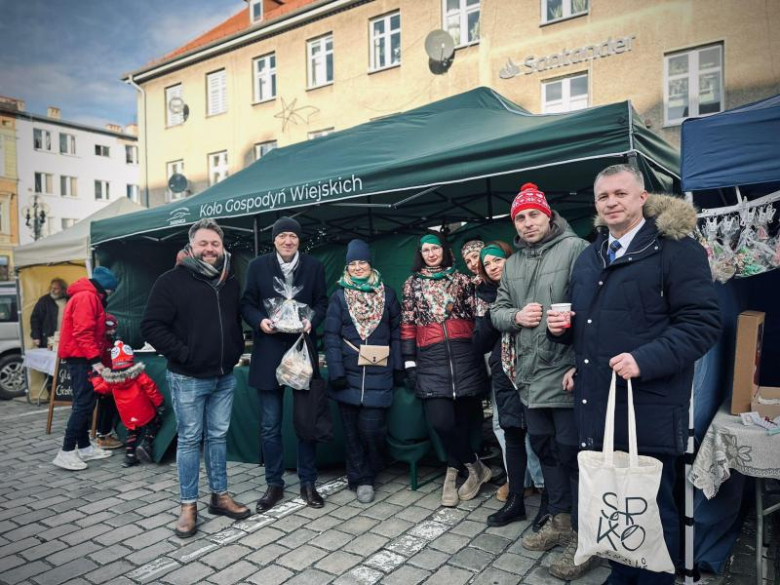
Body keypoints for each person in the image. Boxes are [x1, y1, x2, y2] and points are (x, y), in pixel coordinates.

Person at [547, 164, 721, 584]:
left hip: (649, 405)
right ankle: (622, 574)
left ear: (642, 198)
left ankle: (656, 578)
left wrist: (646, 358)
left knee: (651, 504)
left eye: (621, 194)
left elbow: (702, 323)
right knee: (613, 500)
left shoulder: (676, 250)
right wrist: (564, 333)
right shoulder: (590, 257)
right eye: (604, 196)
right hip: (598, 404)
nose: (612, 202)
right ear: (596, 205)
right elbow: (590, 326)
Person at [490, 182, 591, 580]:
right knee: (547, 452)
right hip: (528, 379)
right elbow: (496, 312)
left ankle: (586, 539)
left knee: (572, 456)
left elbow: (595, 311)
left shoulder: (576, 250)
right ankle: (560, 522)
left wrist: (584, 363)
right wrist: (516, 317)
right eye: (520, 217)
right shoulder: (512, 264)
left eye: (534, 214)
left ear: (548, 215)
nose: (528, 222)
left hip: (565, 374)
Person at [141, 218, 250, 539]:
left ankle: (220, 496)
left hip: (224, 376)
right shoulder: (170, 281)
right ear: (191, 247)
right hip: (188, 377)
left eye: (215, 244)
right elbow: (152, 326)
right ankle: (188, 504)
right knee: (190, 440)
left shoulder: (229, 280)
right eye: (203, 243)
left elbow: (231, 321)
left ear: (222, 247)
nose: (210, 249)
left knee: (217, 437)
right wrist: (184, 353)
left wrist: (233, 350)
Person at [240, 216, 329, 512]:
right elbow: (247, 304)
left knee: (306, 423)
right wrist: (260, 321)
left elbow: (322, 303)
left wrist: (310, 320)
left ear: (298, 240)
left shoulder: (314, 267)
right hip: (268, 353)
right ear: (274, 240)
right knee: (269, 425)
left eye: (292, 236)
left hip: (301, 353)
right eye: (282, 236)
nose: (287, 241)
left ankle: (308, 482)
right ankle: (274, 484)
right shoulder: (257, 266)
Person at [401, 230, 489, 507]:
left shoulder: (463, 280)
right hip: (430, 357)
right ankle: (476, 467)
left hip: (465, 355)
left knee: (465, 421)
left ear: (444, 250)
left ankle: (452, 473)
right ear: (421, 253)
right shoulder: (412, 283)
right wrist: (409, 361)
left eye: (435, 248)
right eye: (425, 249)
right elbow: (407, 322)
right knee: (441, 422)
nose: (431, 253)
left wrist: (480, 351)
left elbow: (479, 314)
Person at [323, 239, 404, 504]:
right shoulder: (338, 297)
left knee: (372, 431)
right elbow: (331, 336)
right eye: (353, 263)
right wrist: (336, 370)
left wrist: (398, 366)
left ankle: (369, 470)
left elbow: (397, 332)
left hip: (379, 374)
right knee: (350, 432)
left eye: (362, 262)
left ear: (371, 264)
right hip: (346, 375)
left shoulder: (388, 294)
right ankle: (360, 478)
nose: (358, 267)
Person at [473, 240, 529, 527]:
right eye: (488, 264)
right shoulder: (483, 294)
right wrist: (488, 316)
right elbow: (480, 340)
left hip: (533, 367)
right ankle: (516, 495)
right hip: (503, 370)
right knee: (510, 432)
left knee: (540, 434)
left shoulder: (527, 282)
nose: (493, 267)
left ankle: (545, 493)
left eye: (497, 260)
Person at [52, 267, 119, 471]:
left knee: (85, 403)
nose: (110, 296)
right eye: (111, 292)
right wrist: (95, 360)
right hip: (81, 358)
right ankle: (65, 452)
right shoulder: (87, 298)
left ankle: (84, 447)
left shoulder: (84, 295)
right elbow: (83, 332)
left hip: (79, 356)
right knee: (83, 405)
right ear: (106, 288)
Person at [91, 340, 165, 468]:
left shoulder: (110, 380)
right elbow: (151, 388)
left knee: (132, 430)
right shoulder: (139, 375)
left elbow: (100, 388)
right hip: (143, 410)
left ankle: (129, 456)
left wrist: (96, 377)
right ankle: (146, 442)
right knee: (155, 423)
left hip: (126, 413)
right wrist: (159, 403)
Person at [95, 313, 123, 450]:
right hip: (104, 381)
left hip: (106, 379)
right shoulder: (101, 342)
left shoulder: (108, 340)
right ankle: (104, 436)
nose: (112, 332)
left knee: (107, 407)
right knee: (107, 407)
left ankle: (103, 434)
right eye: (110, 329)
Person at [30, 277, 67, 348]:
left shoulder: (68, 300)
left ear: (63, 289)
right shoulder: (44, 300)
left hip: (65, 337)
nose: (52, 290)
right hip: (49, 337)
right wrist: (36, 336)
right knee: (51, 357)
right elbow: (35, 319)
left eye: (56, 288)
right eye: (51, 288)